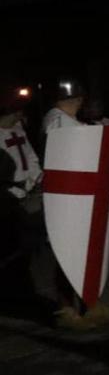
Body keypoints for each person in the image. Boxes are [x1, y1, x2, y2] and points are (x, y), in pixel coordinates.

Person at [40, 77, 109, 328]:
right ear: (74, 99)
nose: (82, 103)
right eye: (79, 99)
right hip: (68, 199)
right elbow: (62, 159)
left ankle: (91, 304)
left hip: (82, 196)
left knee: (84, 249)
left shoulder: (71, 121)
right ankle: (66, 310)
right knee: (67, 250)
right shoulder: (56, 121)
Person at [0, 83, 44, 315]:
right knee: (9, 250)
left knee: (24, 251)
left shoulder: (19, 131)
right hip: (6, 199)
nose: (21, 115)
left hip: (25, 196)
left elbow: (30, 157)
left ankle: (20, 293)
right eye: (17, 111)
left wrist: (38, 178)